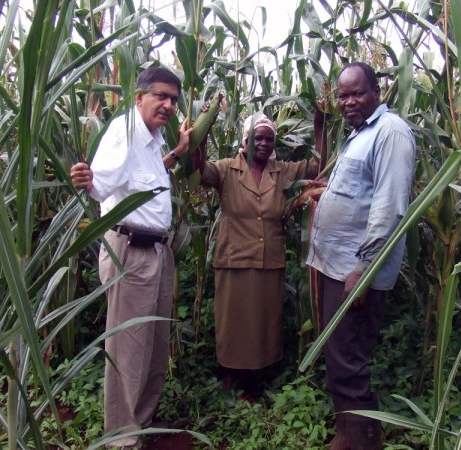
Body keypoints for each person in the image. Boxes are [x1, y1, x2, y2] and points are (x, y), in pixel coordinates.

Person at [70, 66, 192, 449]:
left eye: (174, 99)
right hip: (130, 252)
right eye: (161, 96)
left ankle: (142, 422)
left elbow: (145, 178)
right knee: (128, 350)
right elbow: (101, 182)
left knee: (153, 345)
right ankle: (122, 440)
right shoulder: (124, 133)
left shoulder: (153, 140)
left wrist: (175, 153)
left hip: (155, 250)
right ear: (139, 97)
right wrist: (85, 178)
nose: (169, 105)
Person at [306, 62, 416, 449]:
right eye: (343, 96)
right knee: (338, 356)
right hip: (336, 266)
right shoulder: (359, 135)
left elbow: (389, 210)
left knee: (348, 360)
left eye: (357, 93)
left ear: (377, 91)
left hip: (355, 271)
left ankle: (364, 440)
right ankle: (347, 434)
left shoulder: (391, 133)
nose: (348, 102)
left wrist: (363, 272)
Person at [195, 113, 318, 400]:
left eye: (268, 138)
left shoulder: (282, 171)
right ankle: (231, 373)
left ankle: (256, 379)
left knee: (263, 323)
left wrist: (321, 124)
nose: (263, 143)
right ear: (245, 141)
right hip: (234, 258)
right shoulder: (227, 169)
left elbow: (318, 165)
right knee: (233, 321)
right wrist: (201, 131)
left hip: (268, 261)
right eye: (257, 138)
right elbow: (198, 168)